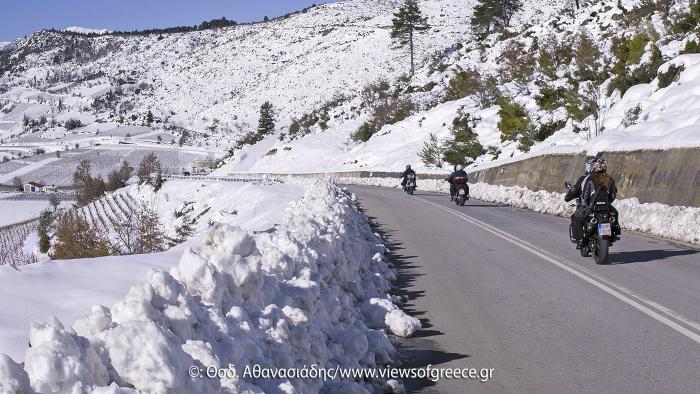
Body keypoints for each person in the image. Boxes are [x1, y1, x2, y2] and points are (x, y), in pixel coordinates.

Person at [565, 158, 596, 245]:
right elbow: (613, 192)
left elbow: (577, 191)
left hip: (589, 207)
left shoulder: (585, 179)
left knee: (576, 217)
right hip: (605, 207)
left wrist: (568, 197)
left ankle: (580, 239)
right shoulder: (606, 178)